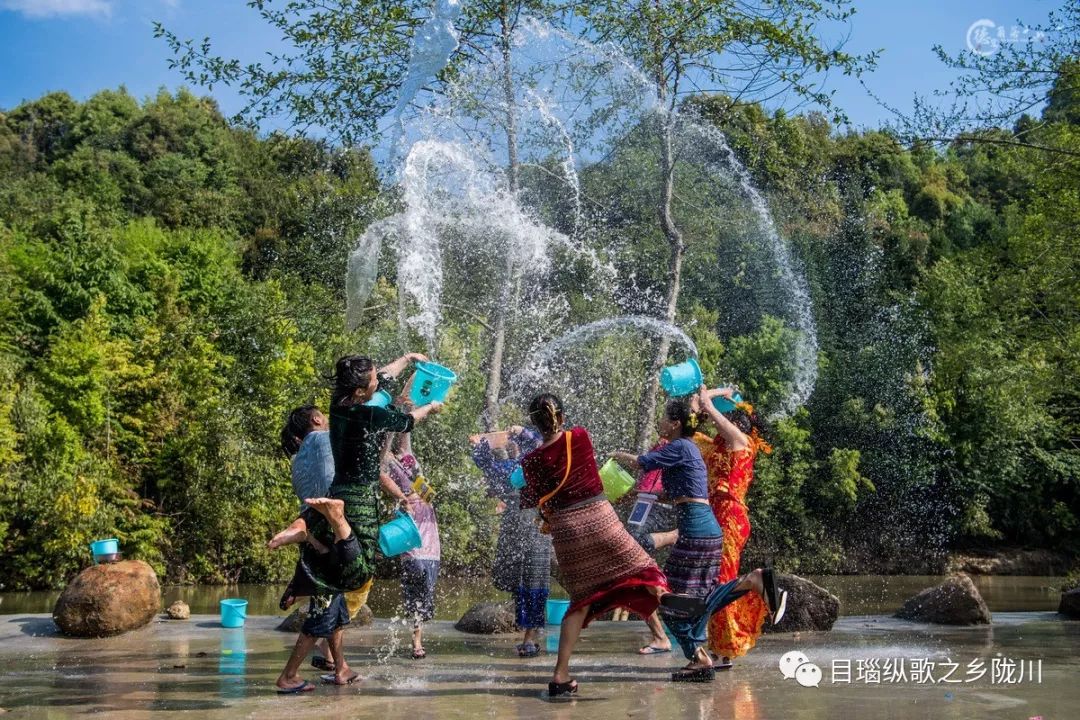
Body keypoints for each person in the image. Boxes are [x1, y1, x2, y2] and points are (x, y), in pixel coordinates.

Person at [270, 353, 443, 694]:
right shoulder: (368, 414)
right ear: (363, 391)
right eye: (374, 379)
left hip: (341, 489)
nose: (380, 379)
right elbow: (407, 420)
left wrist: (407, 359)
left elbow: (385, 379)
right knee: (357, 571)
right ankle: (288, 676)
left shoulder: (340, 405)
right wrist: (431, 407)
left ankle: (341, 668)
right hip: (358, 501)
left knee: (331, 590)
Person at [518, 393, 711, 697]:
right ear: (562, 417)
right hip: (599, 518)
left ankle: (560, 676)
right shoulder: (578, 437)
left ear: (534, 422)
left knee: (580, 601)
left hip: (566, 532)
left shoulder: (530, 461)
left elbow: (531, 499)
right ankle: (663, 595)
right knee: (642, 568)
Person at [613, 398, 788, 682]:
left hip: (711, 523)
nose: (659, 422)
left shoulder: (698, 445)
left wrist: (612, 455)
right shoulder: (695, 450)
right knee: (695, 597)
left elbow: (642, 463)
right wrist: (637, 495)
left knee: (667, 597)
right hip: (706, 523)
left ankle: (704, 652)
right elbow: (678, 493)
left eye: (664, 417)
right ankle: (704, 652)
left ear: (675, 423)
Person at [278, 405, 375, 674]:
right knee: (325, 610)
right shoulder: (325, 439)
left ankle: (340, 666)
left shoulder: (297, 458)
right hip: (330, 534)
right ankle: (288, 676)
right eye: (326, 416)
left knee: (336, 607)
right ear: (317, 419)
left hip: (313, 533)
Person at [695, 385, 774, 670]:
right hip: (713, 516)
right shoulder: (714, 447)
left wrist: (711, 404)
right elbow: (693, 410)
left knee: (722, 580)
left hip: (731, 516)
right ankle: (720, 650)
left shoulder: (742, 442)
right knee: (713, 581)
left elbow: (718, 420)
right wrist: (715, 392)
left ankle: (757, 580)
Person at [471, 425, 550, 657]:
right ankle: (528, 630)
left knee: (534, 577)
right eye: (510, 440)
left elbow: (540, 444)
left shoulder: (534, 461)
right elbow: (484, 463)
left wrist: (522, 431)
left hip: (536, 523)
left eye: (516, 439)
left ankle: (530, 637)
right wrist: (480, 445)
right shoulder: (509, 466)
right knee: (516, 579)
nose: (512, 441)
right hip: (515, 525)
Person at [383, 428, 440, 660]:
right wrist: (388, 427)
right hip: (409, 531)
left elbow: (406, 434)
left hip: (431, 539)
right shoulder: (385, 461)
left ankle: (418, 637)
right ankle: (416, 641)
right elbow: (382, 462)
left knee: (426, 593)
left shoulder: (408, 459)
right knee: (416, 588)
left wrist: (408, 410)